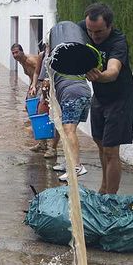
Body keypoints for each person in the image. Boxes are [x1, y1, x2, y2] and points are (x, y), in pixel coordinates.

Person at [79, 3, 133, 194]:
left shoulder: (118, 41)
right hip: (100, 96)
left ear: (110, 26)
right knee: (100, 142)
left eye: (99, 32)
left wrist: (99, 76)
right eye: (90, 31)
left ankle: (110, 199)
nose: (94, 36)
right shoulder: (84, 28)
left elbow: (113, 71)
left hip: (120, 97)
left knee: (111, 150)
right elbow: (64, 32)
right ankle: (103, 188)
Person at [38, 34, 91, 181]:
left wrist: (44, 100)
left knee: (69, 130)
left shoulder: (50, 59)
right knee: (67, 129)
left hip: (71, 94)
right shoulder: (70, 54)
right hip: (85, 93)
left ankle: (76, 166)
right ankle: (69, 162)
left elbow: (45, 84)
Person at [12, 44, 48, 153]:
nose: (15, 55)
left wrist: (41, 87)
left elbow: (42, 71)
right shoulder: (22, 62)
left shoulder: (30, 60)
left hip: (42, 84)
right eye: (13, 53)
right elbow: (31, 76)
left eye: (17, 52)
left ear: (22, 52)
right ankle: (36, 129)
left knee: (40, 109)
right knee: (28, 106)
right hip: (35, 85)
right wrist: (31, 87)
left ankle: (43, 137)